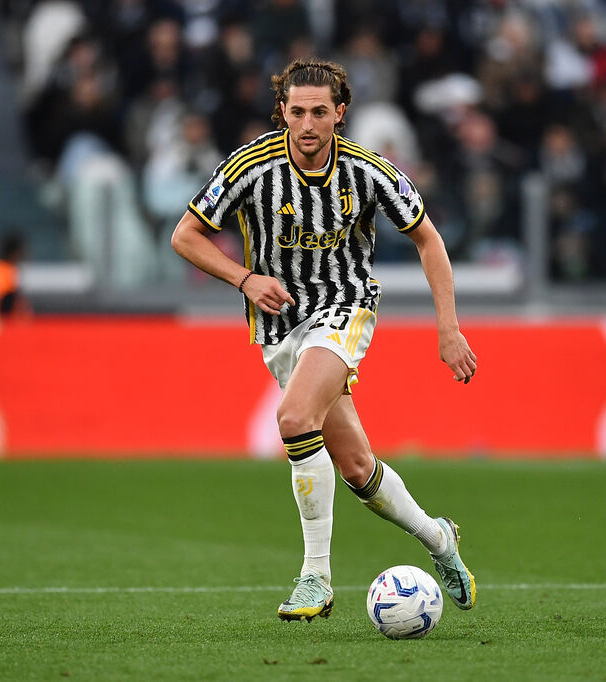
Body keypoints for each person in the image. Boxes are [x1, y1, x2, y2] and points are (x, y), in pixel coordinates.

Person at [171, 58, 477, 621]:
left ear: (340, 113)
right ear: (281, 111)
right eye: (296, 111)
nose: (307, 123)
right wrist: (245, 277)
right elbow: (185, 236)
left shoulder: (368, 171)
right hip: (279, 327)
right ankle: (439, 539)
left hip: (346, 309)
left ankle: (316, 576)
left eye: (319, 111)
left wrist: (448, 326)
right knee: (358, 467)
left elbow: (429, 241)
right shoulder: (250, 167)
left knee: (292, 419)